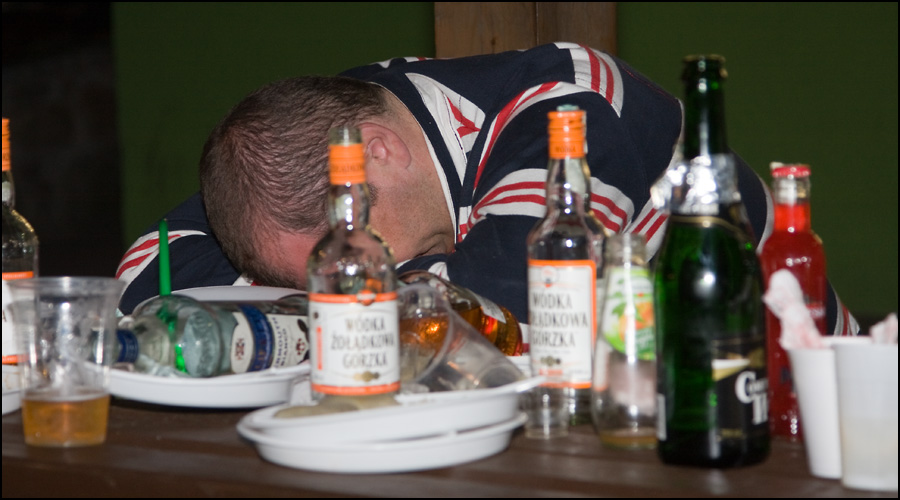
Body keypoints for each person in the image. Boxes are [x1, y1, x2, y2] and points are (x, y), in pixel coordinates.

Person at [115, 42, 858, 336]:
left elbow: (516, 308)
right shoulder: (321, 135)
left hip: (791, 418)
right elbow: (146, 275)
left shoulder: (571, 104)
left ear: (375, 154)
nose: (349, 272)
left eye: (355, 245)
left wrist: (276, 326)